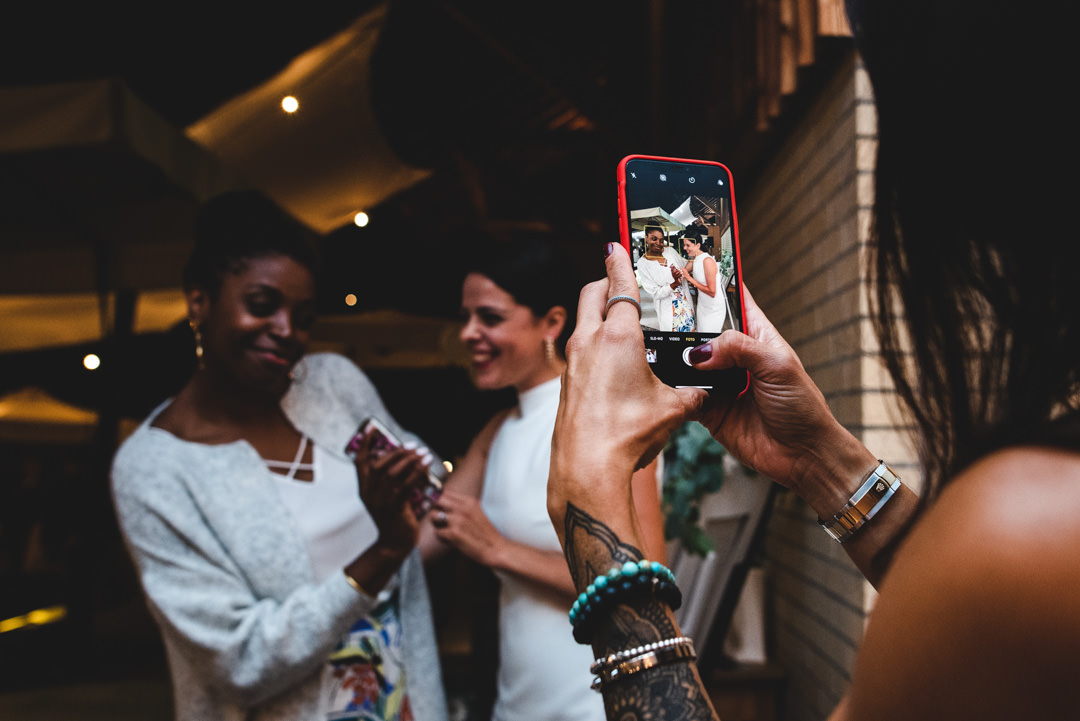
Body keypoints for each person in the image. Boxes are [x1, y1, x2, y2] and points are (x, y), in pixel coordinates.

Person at [546, 2, 1080, 720]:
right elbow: (979, 612)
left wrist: (592, 497)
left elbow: (994, 581)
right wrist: (822, 461)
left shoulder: (1033, 522)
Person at [111, 191, 448, 721]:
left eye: (304, 316)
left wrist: (417, 488)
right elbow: (238, 661)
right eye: (262, 305)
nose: (288, 331)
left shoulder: (332, 384)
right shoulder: (153, 469)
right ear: (198, 301)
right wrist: (383, 552)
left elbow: (427, 480)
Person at [418, 228, 665, 721]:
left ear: (551, 322)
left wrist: (498, 549)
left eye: (490, 318)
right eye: (466, 317)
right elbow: (425, 540)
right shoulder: (497, 429)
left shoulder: (602, 412)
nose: (468, 333)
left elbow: (647, 579)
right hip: (516, 702)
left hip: (593, 702)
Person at [635, 227, 694, 332]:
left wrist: (697, 256)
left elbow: (685, 265)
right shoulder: (643, 263)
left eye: (661, 240)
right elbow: (655, 293)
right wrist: (674, 284)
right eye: (654, 239)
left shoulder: (670, 251)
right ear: (646, 238)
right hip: (670, 312)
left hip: (686, 306)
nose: (658, 243)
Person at [681, 236, 728, 333]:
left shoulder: (707, 261)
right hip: (702, 305)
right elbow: (684, 271)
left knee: (709, 337)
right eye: (684, 245)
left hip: (713, 307)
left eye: (688, 245)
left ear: (698, 245)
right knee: (701, 332)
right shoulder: (695, 258)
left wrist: (689, 278)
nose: (684, 248)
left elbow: (712, 292)